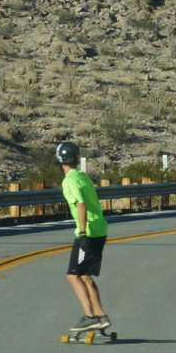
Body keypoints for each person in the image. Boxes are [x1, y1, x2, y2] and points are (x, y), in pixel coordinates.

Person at [56, 141, 111, 332]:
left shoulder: (69, 180)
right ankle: (100, 316)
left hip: (87, 231)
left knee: (72, 276)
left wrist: (81, 233)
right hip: (99, 228)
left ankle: (89, 317)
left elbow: (81, 205)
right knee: (85, 276)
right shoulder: (82, 176)